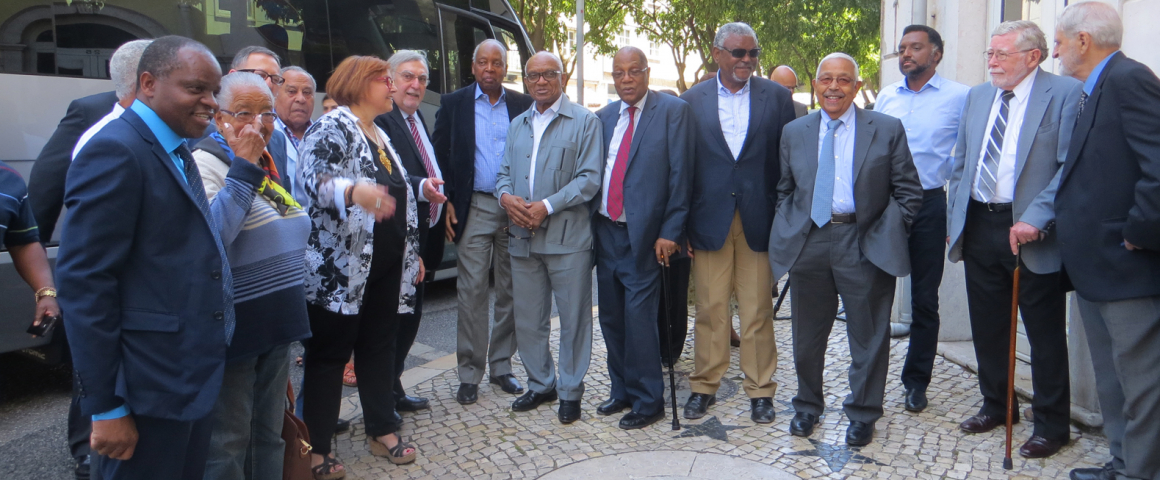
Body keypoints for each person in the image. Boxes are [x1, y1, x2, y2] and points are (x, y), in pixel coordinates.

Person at [56, 35, 264, 480]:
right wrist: (106, 405)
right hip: (146, 391)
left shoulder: (176, 147)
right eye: (195, 89)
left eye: (213, 91)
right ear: (148, 83)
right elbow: (85, 285)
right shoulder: (116, 150)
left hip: (186, 381)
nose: (210, 102)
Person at [769, 53, 922, 447]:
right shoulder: (794, 131)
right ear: (815, 84)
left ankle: (863, 412)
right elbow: (784, 189)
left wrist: (886, 232)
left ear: (856, 86)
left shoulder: (886, 129)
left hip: (864, 239)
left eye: (843, 80)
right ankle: (807, 405)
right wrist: (790, 227)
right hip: (811, 240)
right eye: (825, 79)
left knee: (868, 336)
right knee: (806, 336)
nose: (833, 87)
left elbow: (908, 191)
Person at [946, 20, 1080, 460]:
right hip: (981, 224)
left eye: (1002, 54)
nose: (992, 62)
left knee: (1043, 333)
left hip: (1031, 232)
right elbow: (963, 161)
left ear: (1033, 57)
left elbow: (1069, 169)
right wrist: (956, 217)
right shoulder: (978, 96)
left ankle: (1052, 425)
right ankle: (998, 406)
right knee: (988, 326)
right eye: (990, 54)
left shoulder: (1063, 95)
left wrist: (1037, 219)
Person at [22, 38, 150, 480]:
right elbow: (47, 182)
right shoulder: (93, 114)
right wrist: (35, 263)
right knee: (94, 358)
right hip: (105, 270)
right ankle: (86, 450)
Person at [298, 55, 421, 479]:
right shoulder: (331, 125)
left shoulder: (379, 132)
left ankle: (381, 429)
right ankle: (315, 449)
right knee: (329, 356)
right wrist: (352, 191)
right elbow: (311, 181)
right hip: (340, 269)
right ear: (357, 83)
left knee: (378, 346)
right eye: (383, 79)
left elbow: (395, 191)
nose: (392, 85)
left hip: (384, 265)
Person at [1052, 3, 1160, 479]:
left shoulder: (1129, 79)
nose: (1054, 51)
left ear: (1083, 40)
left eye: (1058, 41)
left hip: (1126, 264)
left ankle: (1141, 471)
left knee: (1141, 382)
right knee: (1112, 379)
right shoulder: (1091, 89)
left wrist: (1139, 233)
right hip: (1093, 265)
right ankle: (1121, 462)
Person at [191, 72, 312, 480]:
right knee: (228, 441)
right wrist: (242, 167)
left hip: (275, 319)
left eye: (266, 114)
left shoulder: (266, 161)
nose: (257, 124)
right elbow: (214, 236)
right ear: (219, 117)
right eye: (243, 113)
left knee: (268, 433)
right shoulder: (205, 162)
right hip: (235, 326)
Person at [678, 22, 795, 424]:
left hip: (759, 220)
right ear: (717, 53)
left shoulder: (777, 98)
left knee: (757, 309)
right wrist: (681, 227)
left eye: (752, 53)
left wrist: (785, 220)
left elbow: (786, 164)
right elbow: (684, 168)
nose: (746, 60)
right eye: (738, 53)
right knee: (710, 308)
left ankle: (761, 391)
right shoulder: (690, 100)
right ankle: (704, 385)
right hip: (708, 220)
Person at [495, 51, 602, 424]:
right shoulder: (517, 124)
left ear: (562, 78)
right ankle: (541, 384)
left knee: (573, 319)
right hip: (521, 237)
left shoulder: (585, 122)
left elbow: (589, 179)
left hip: (567, 239)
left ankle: (571, 391)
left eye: (548, 74)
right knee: (528, 319)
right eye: (533, 75)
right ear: (525, 80)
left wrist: (546, 206)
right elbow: (503, 173)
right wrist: (506, 198)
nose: (540, 81)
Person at [593, 47, 693, 430]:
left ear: (647, 74)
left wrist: (671, 232)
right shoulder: (602, 118)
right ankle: (621, 391)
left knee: (639, 319)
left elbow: (681, 176)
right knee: (612, 318)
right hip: (606, 231)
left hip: (648, 237)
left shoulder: (672, 112)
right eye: (619, 73)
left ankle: (649, 400)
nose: (627, 79)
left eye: (634, 71)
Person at [873, 24, 970, 413]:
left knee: (924, 300)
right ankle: (868, 380)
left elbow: (965, 156)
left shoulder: (960, 97)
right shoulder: (886, 96)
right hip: (884, 205)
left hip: (930, 205)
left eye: (915, 47)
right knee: (874, 295)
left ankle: (916, 382)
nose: (906, 54)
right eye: (901, 49)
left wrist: (956, 213)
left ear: (937, 54)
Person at [433, 39, 532, 405]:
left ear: (505, 69)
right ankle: (470, 373)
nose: (490, 69)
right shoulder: (453, 104)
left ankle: (502, 366)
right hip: (473, 205)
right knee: (472, 290)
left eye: (497, 63)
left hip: (514, 208)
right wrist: (446, 205)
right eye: (483, 63)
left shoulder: (522, 104)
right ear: (473, 67)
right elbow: (439, 156)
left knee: (511, 289)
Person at [374, 49, 448, 417]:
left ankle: (394, 385)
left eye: (421, 79)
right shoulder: (383, 122)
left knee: (410, 318)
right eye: (407, 76)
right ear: (389, 80)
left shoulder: (417, 120)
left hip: (425, 237)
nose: (415, 85)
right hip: (399, 242)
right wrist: (423, 188)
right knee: (393, 321)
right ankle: (384, 395)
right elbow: (391, 180)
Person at [653, 89, 693, 367]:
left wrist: (683, 233)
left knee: (675, 297)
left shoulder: (685, 141)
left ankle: (671, 350)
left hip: (677, 236)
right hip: (648, 234)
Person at [274, 65, 317, 200]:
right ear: (275, 95)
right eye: (292, 91)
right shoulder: (264, 132)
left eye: (307, 92)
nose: (301, 99)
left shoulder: (325, 134)